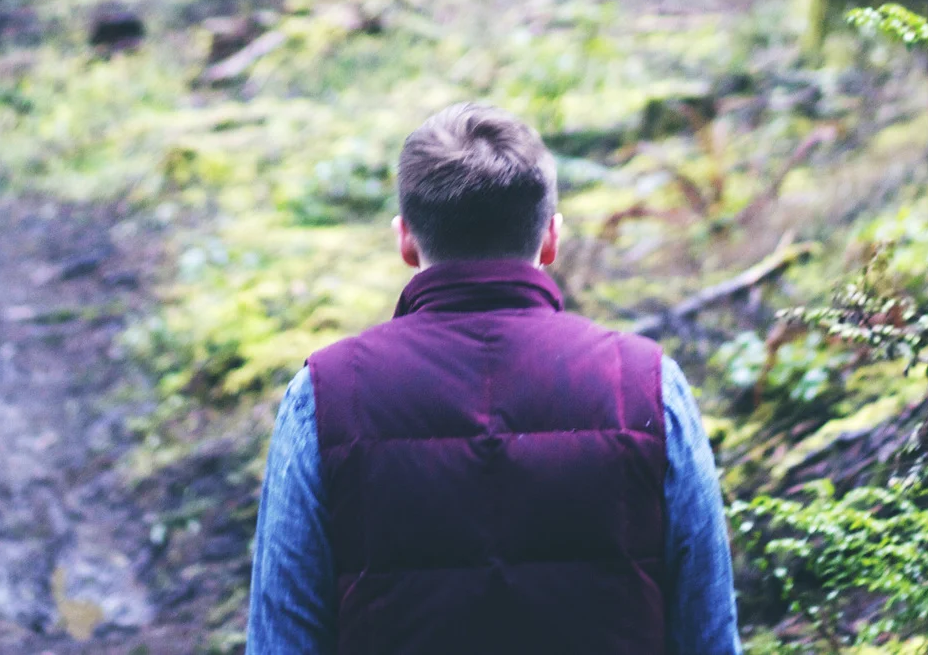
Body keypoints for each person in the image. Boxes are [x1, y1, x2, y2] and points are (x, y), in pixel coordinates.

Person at [246, 103, 741, 655]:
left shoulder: (324, 395)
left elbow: (282, 639)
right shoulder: (647, 385)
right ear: (552, 239)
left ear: (405, 240)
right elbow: (708, 634)